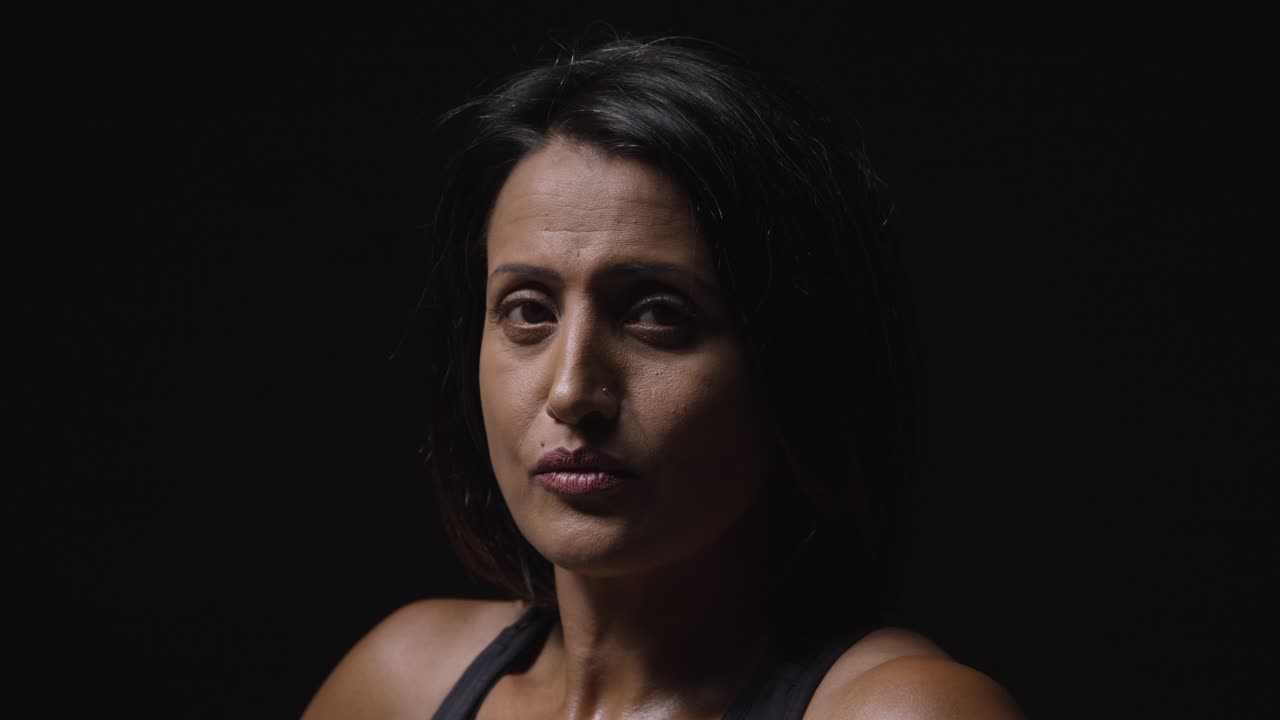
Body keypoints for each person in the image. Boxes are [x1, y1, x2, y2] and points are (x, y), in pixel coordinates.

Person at [303, 35, 1024, 719]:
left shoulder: (900, 711)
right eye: (527, 311)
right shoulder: (402, 686)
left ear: (795, 362)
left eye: (656, 314)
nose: (571, 391)